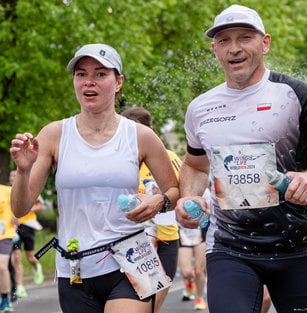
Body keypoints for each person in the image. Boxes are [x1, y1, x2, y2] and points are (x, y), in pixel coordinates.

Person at [175, 5, 307, 313]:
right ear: (214, 49)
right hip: (228, 245)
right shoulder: (200, 108)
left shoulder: (295, 94)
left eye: (245, 37)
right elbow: (194, 165)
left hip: (294, 245)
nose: (234, 48)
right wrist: (189, 196)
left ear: (265, 43)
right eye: (224, 40)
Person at [10, 43, 179, 313]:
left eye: (101, 74)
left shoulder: (140, 136)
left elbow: (174, 190)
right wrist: (23, 170)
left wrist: (158, 201)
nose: (89, 81)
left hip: (131, 258)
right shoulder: (54, 134)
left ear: (119, 82)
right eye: (81, 74)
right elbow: (20, 208)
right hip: (75, 267)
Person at [121, 107, 182, 313]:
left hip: (165, 234)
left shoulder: (168, 156)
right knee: (137, 299)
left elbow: (182, 191)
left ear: (151, 130)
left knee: (158, 293)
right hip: (131, 240)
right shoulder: (120, 159)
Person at [9, 170, 45, 299]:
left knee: (30, 257)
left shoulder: (30, 188)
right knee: (16, 258)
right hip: (14, 228)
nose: (13, 178)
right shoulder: (8, 192)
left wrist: (26, 207)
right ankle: (20, 287)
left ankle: (37, 266)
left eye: (15, 175)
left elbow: (42, 207)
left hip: (28, 226)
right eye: (11, 176)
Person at [0, 182, 16, 312]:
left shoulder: (7, 190)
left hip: (5, 234)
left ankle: (5, 299)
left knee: (2, 266)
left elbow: (19, 205)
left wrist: (17, 216)